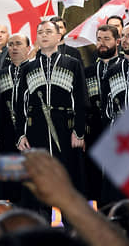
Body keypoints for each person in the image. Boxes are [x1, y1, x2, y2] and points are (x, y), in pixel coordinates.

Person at [16, 20, 87, 210]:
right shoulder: (27, 68)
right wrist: (20, 135)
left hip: (65, 128)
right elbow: (20, 104)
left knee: (67, 185)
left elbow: (81, 100)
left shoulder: (72, 64)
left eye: (48, 32)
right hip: (36, 130)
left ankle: (72, 233)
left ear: (58, 37)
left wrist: (78, 131)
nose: (44, 35)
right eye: (40, 32)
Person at [85, 24, 121, 203]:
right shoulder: (88, 71)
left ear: (117, 41)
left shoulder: (123, 68)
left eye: (107, 39)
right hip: (94, 130)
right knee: (95, 176)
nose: (102, 44)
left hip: (117, 129)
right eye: (99, 39)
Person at [0, 34, 30, 203]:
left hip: (30, 137)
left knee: (30, 187)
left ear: (28, 48)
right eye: (11, 44)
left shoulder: (34, 71)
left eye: (19, 44)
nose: (14, 47)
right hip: (6, 137)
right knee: (10, 188)